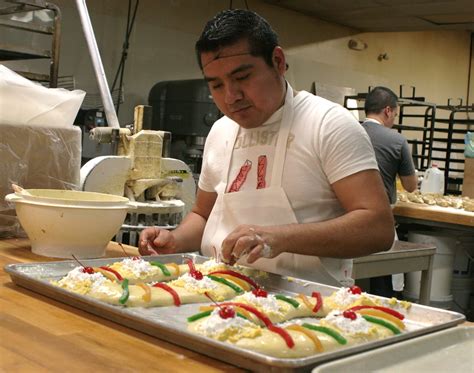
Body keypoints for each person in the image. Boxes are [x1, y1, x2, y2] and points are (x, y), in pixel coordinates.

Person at [139, 9, 394, 286]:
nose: (231, 96)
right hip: (219, 293)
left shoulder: (327, 124)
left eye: (242, 77)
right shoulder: (221, 131)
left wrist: (279, 238)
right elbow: (203, 214)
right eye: (217, 85)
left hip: (306, 306)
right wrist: (175, 239)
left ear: (278, 61)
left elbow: (378, 228)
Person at [362, 86, 417, 297]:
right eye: (395, 113)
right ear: (387, 111)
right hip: (378, 219)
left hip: (340, 216)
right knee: (384, 282)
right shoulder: (396, 140)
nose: (394, 118)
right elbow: (411, 186)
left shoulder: (346, 131)